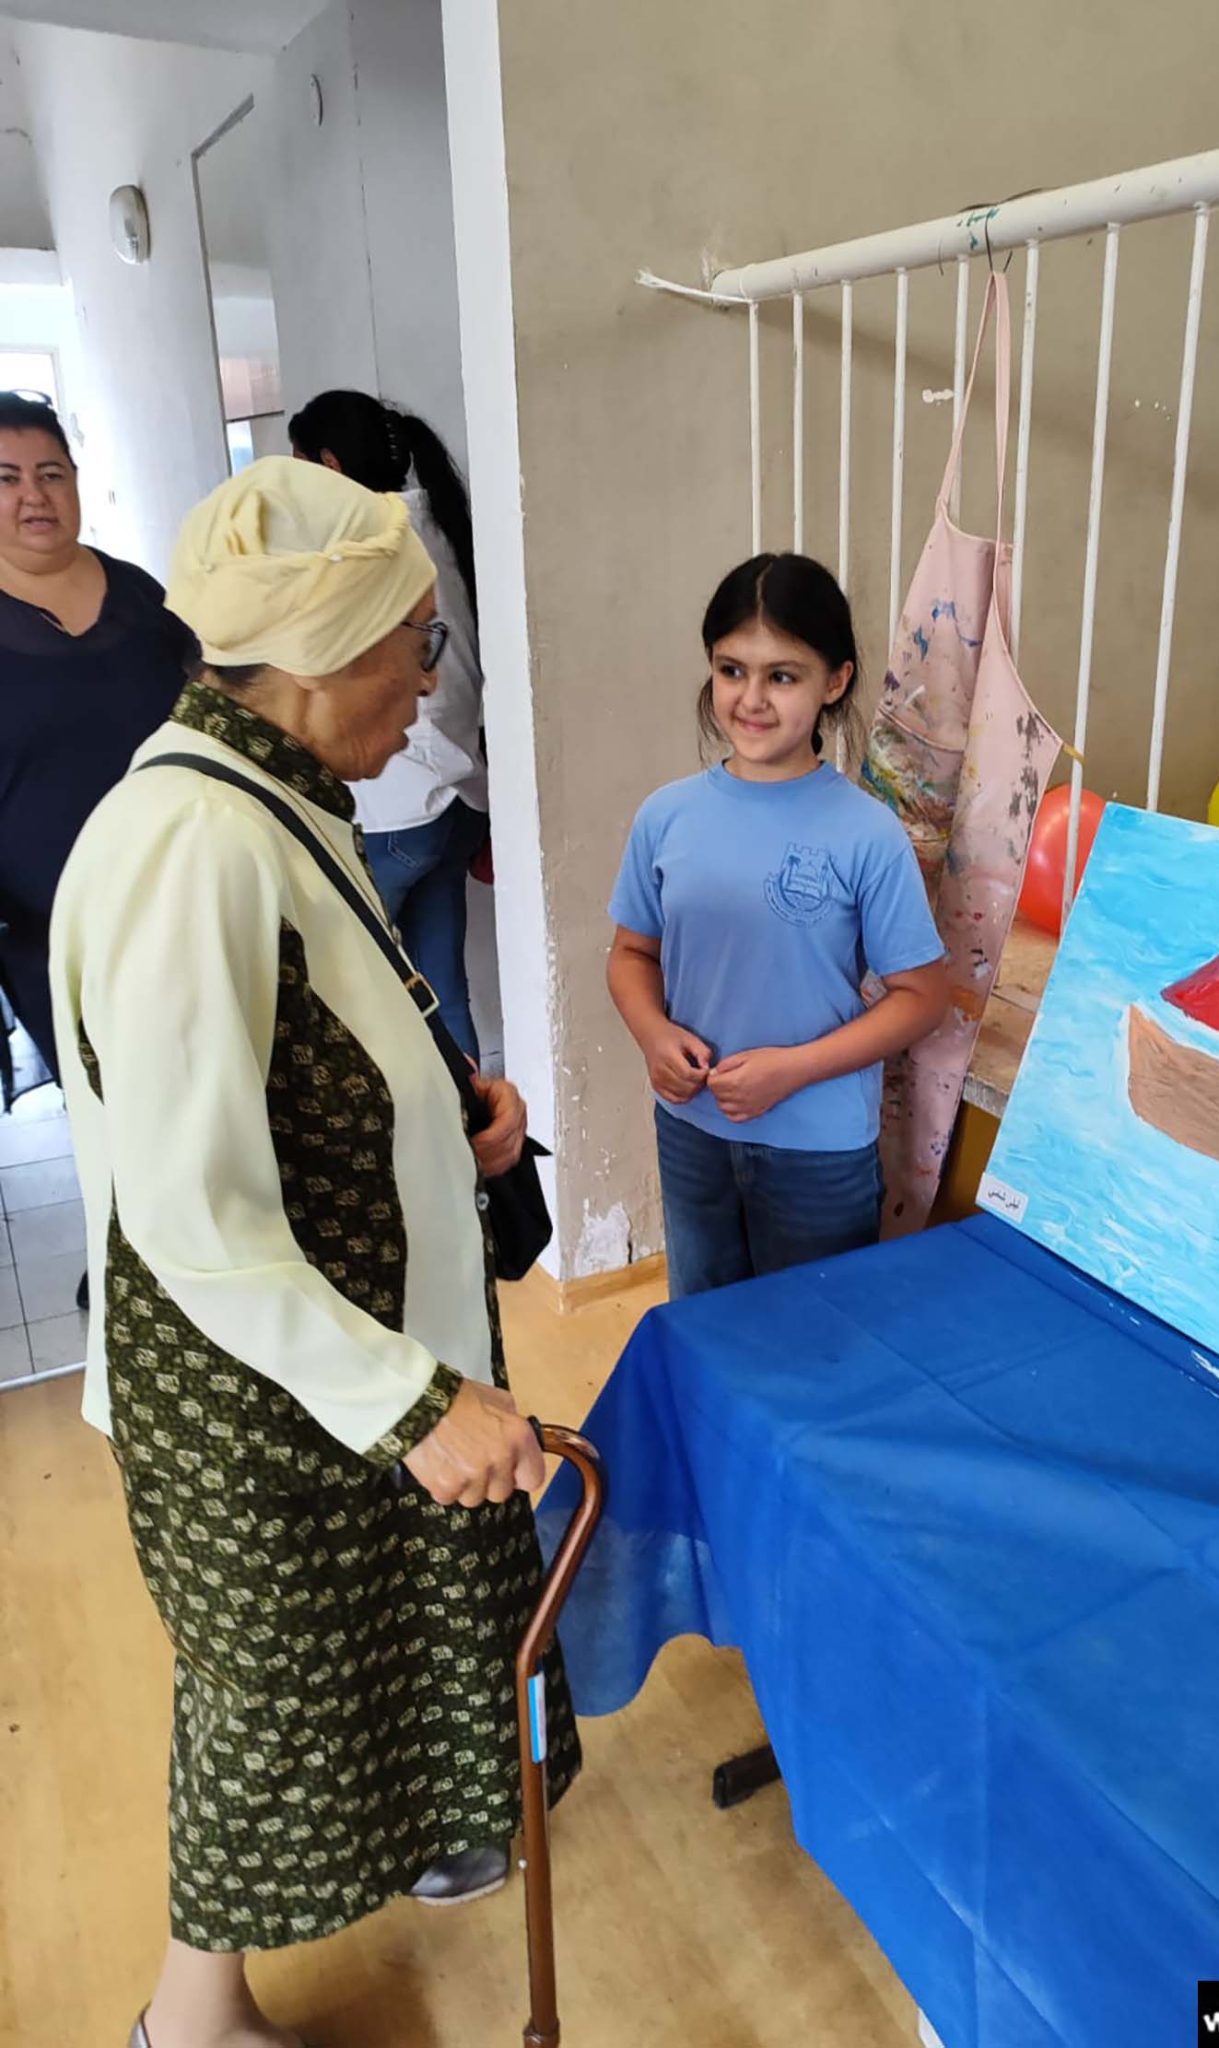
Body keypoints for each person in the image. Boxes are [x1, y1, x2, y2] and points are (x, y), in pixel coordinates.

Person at [50, 458, 577, 2048]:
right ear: (322, 656)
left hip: (336, 1352)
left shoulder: (269, 796)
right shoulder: (189, 844)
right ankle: (188, 2027)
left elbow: (308, 1053)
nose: (427, 690)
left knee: (382, 1656)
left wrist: (450, 1115)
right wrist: (414, 1405)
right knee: (268, 1716)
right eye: (417, 649)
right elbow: (194, 1211)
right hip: (264, 1396)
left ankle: (434, 1837)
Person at [607, 553, 948, 1299]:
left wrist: (791, 1071)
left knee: (812, 1341)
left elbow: (922, 997)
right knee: (703, 1325)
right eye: (732, 670)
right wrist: (652, 1034)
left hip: (818, 1150)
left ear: (836, 681)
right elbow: (631, 952)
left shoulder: (867, 834)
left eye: (783, 676)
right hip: (692, 1131)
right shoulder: (666, 815)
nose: (752, 699)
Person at [0, 392, 195, 1084]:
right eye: (7, 478)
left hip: (186, 915)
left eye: (50, 473)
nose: (34, 495)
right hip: (58, 946)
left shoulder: (140, 597)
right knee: (119, 1119)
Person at [288, 390, 487, 1057]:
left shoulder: (365, 549)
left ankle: (409, 1122)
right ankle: (471, 1121)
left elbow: (395, 689)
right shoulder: (439, 529)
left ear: (331, 465)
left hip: (397, 807)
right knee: (441, 991)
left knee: (352, 998)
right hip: (455, 804)